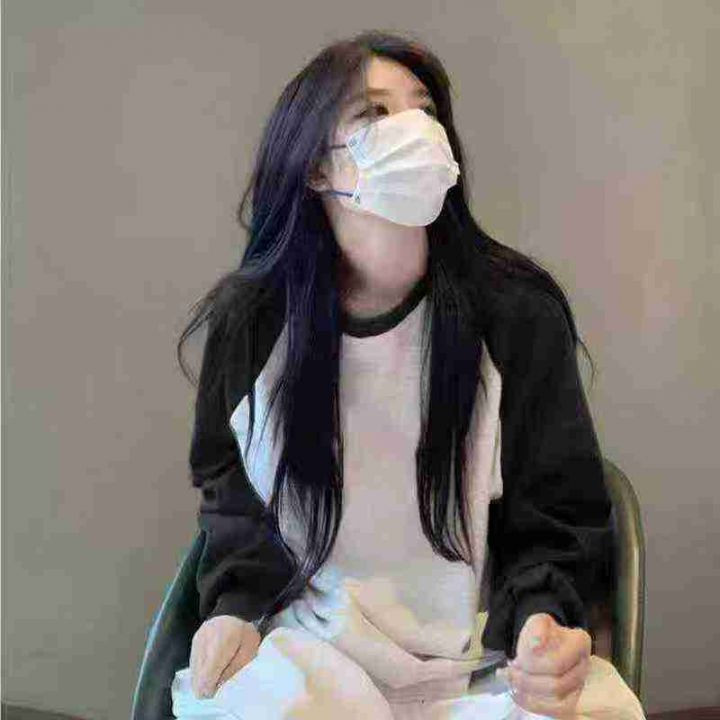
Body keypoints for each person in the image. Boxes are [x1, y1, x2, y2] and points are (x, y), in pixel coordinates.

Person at [172, 30, 645, 719]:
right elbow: (233, 491)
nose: (415, 130)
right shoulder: (252, 323)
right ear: (316, 168)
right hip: (312, 654)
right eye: (374, 113)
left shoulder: (516, 313)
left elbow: (558, 510)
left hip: (484, 660)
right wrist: (234, 607)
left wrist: (544, 622)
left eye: (425, 109)